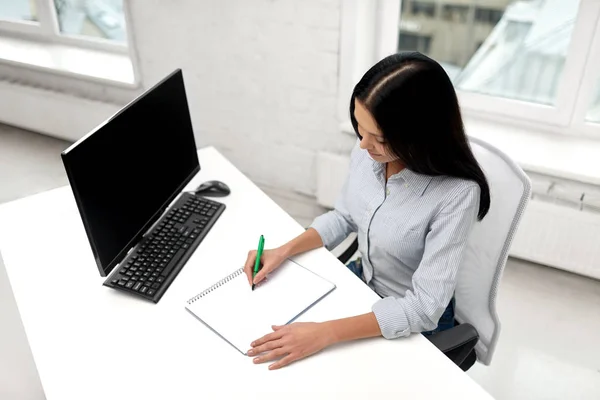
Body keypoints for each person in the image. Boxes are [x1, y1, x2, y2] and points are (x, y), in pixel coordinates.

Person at [243, 52, 490, 370]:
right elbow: (345, 216)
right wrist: (284, 250)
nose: (363, 145)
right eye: (360, 129)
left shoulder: (457, 194)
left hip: (408, 316)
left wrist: (326, 333)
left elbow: (424, 308)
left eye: (379, 138)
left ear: (421, 135)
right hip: (363, 282)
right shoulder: (369, 153)